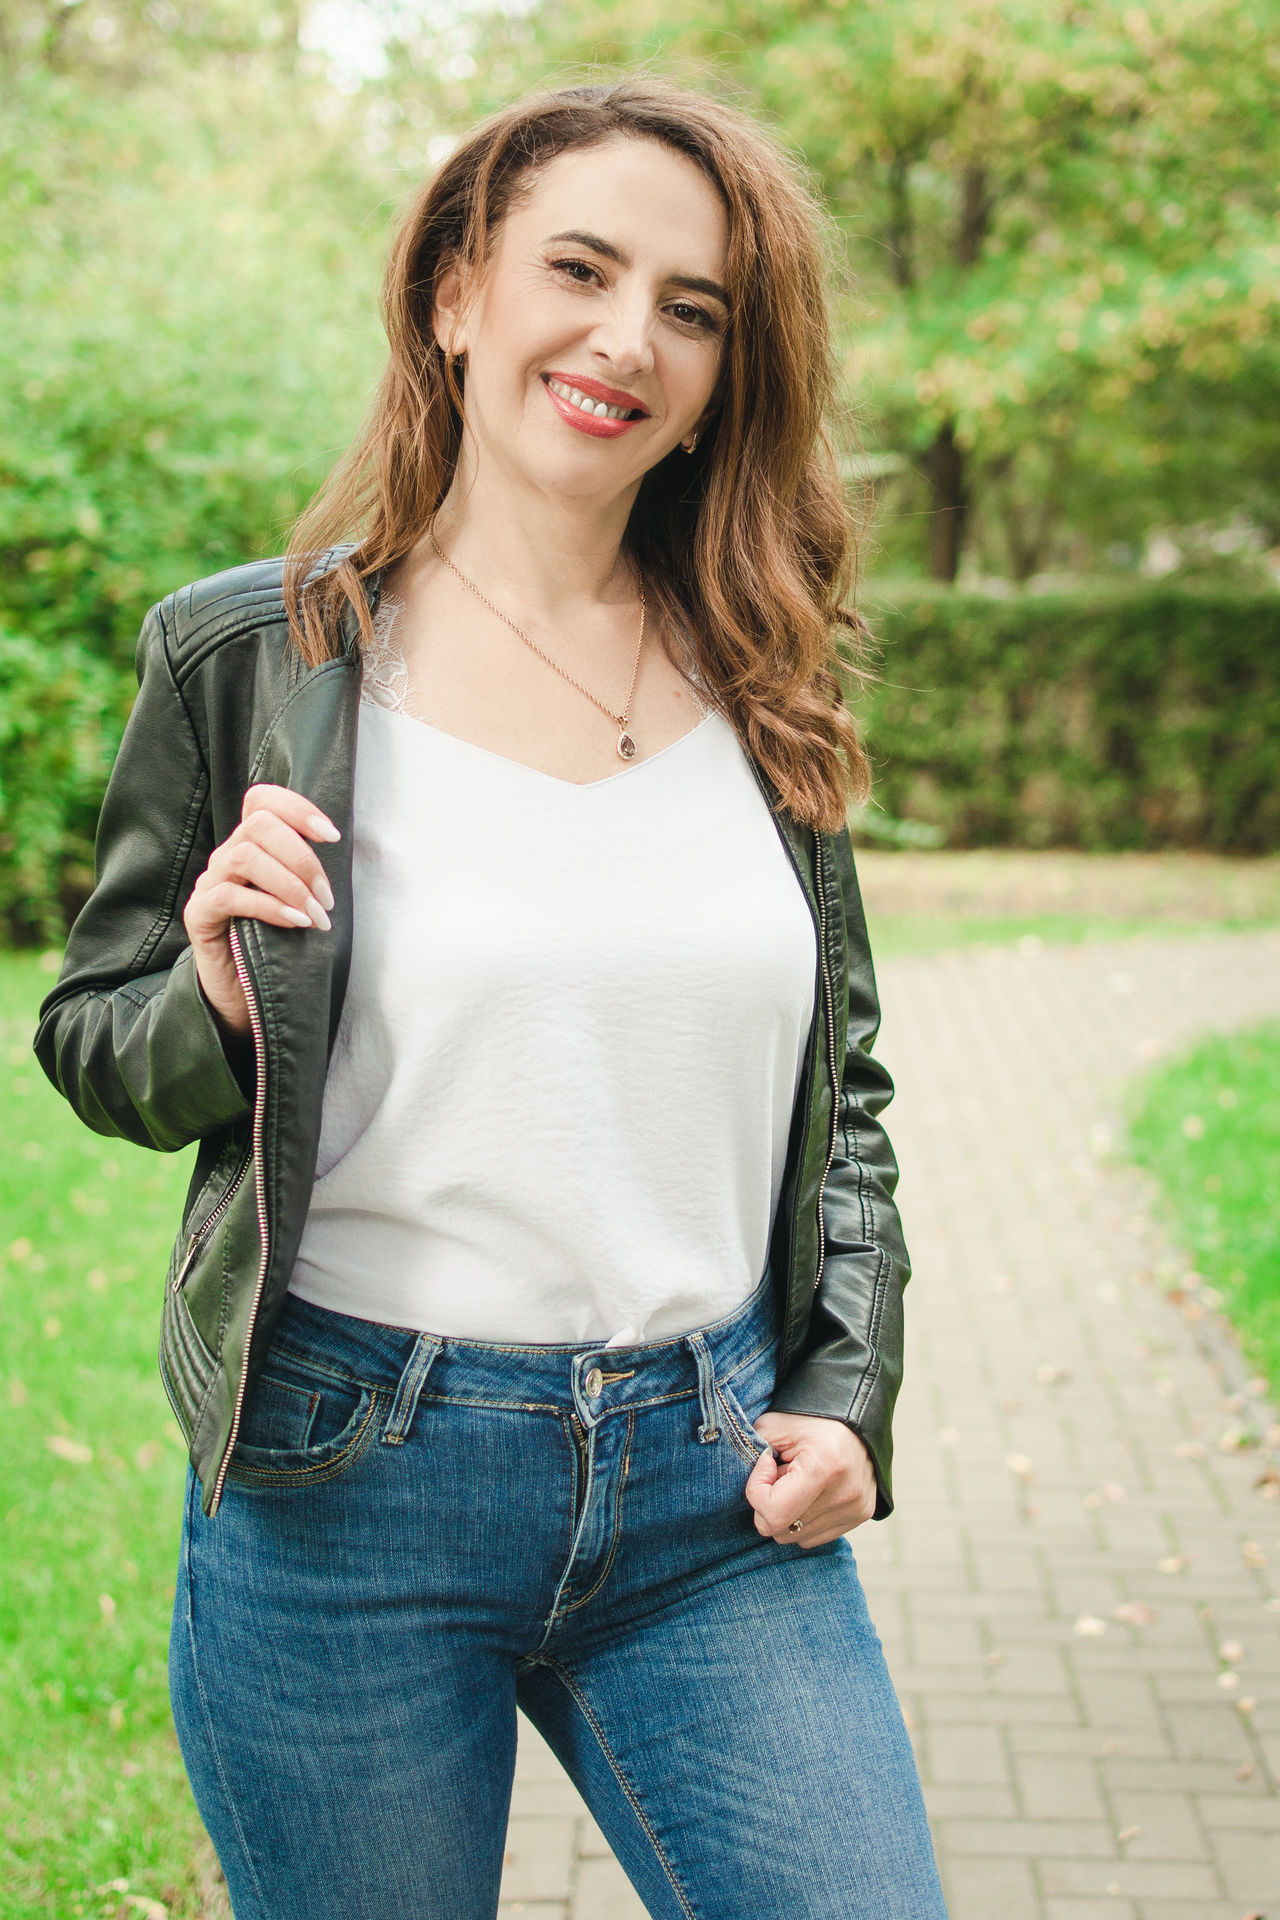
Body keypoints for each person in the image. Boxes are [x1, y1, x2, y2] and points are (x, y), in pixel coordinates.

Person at [34, 78, 948, 1920]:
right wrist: (214, 1002)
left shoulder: (762, 668)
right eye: (578, 271)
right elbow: (94, 1041)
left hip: (712, 1492)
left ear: (725, 377)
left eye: (691, 309)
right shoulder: (254, 653)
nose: (628, 340)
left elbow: (838, 1094)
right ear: (457, 294)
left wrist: (849, 1388)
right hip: (349, 1485)